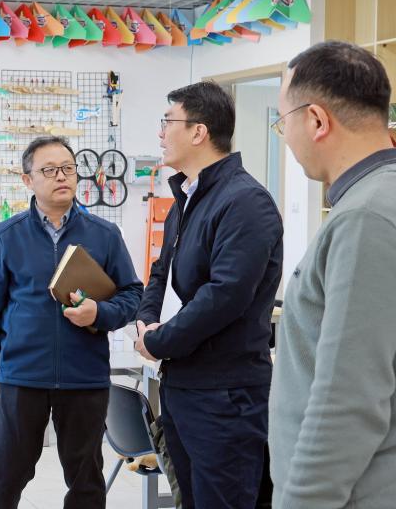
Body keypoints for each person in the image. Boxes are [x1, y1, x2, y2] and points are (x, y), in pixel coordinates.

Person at [133, 81, 283, 509]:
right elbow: (161, 272)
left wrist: (160, 341)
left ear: (198, 131)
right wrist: (146, 321)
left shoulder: (245, 202)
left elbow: (225, 295)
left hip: (225, 394)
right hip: (181, 384)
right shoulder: (187, 196)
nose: (161, 133)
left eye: (168, 122)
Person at [0, 135, 143, 509]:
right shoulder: (5, 236)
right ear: (28, 180)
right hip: (22, 375)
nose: (62, 176)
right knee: (6, 475)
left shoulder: (104, 235)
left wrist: (99, 313)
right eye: (49, 170)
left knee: (86, 481)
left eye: (68, 168)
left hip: (84, 377)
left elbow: (132, 295)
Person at [269, 41, 396, 509]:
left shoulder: (365, 217)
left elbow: (348, 397)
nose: (285, 136)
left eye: (283, 121)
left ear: (317, 121)